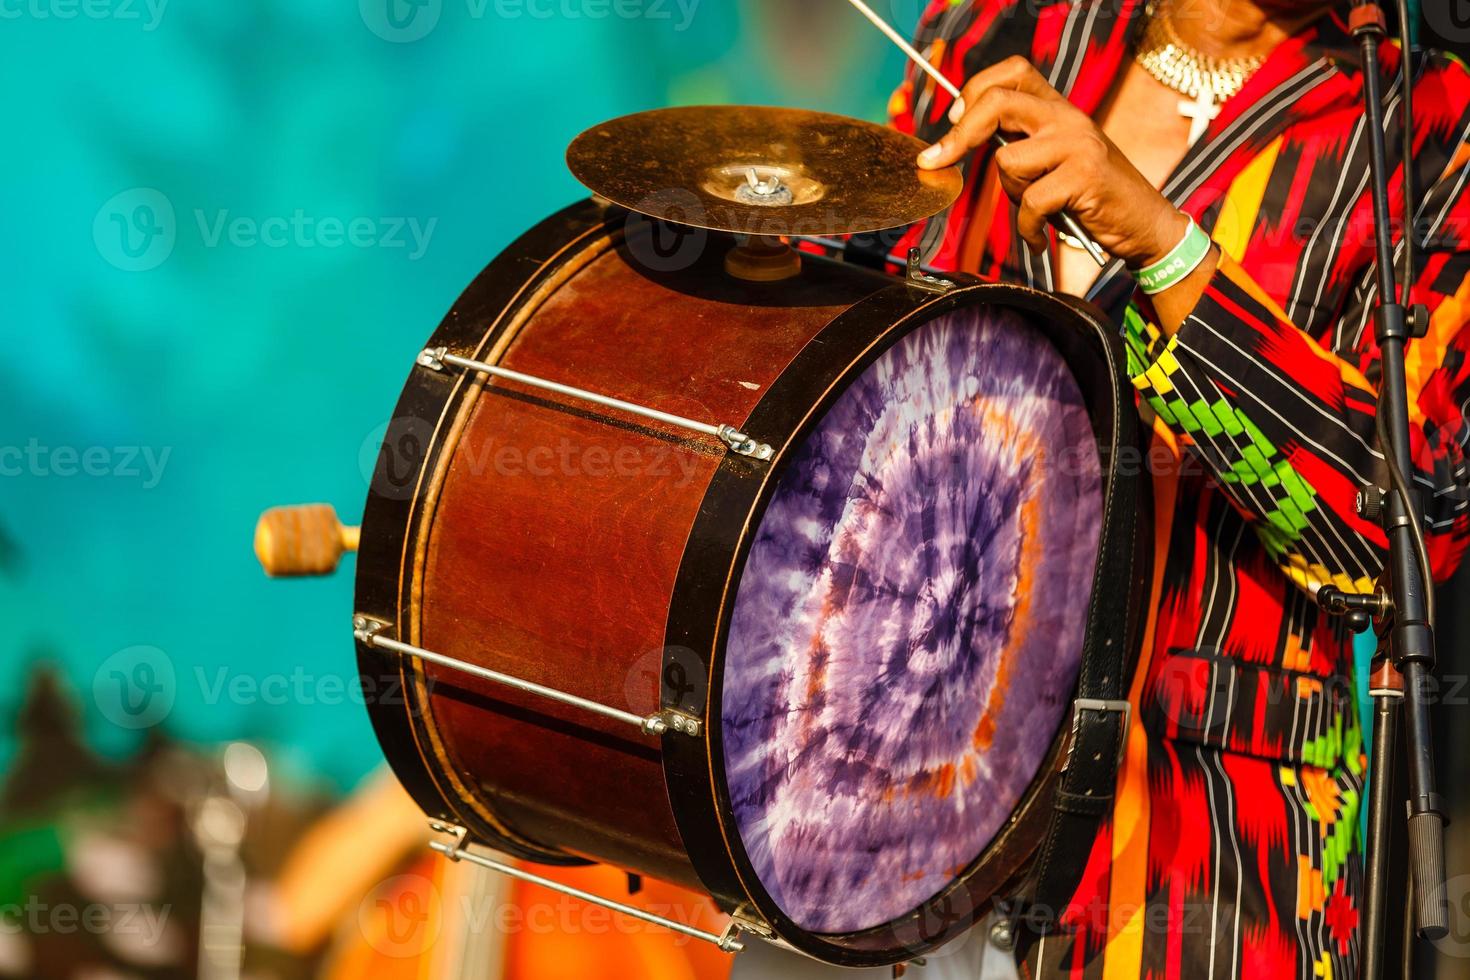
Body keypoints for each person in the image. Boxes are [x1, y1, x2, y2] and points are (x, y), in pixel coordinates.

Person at [733, 0, 1470, 976]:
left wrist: (1170, 251)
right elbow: (868, 347)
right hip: (873, 793)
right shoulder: (1000, 27)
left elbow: (1403, 537)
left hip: (1196, 848)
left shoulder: (1427, 124)